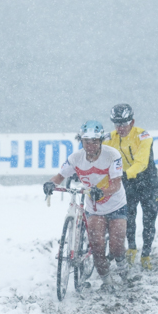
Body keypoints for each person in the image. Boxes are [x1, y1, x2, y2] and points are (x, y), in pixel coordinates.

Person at [44, 120, 128, 292]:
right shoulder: (75, 158)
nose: (90, 145)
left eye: (94, 141)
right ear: (81, 141)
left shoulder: (112, 155)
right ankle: (107, 280)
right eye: (86, 141)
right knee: (96, 246)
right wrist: (50, 184)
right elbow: (60, 176)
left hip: (116, 204)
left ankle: (121, 261)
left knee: (116, 246)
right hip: (94, 208)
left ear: (101, 141)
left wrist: (102, 191)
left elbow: (116, 185)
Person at [104, 104, 158, 271]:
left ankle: (146, 254)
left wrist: (122, 175)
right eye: (117, 124)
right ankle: (132, 248)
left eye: (124, 124)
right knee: (128, 217)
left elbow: (141, 162)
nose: (120, 128)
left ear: (132, 122)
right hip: (127, 182)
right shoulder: (109, 138)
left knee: (149, 219)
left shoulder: (143, 136)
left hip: (147, 181)